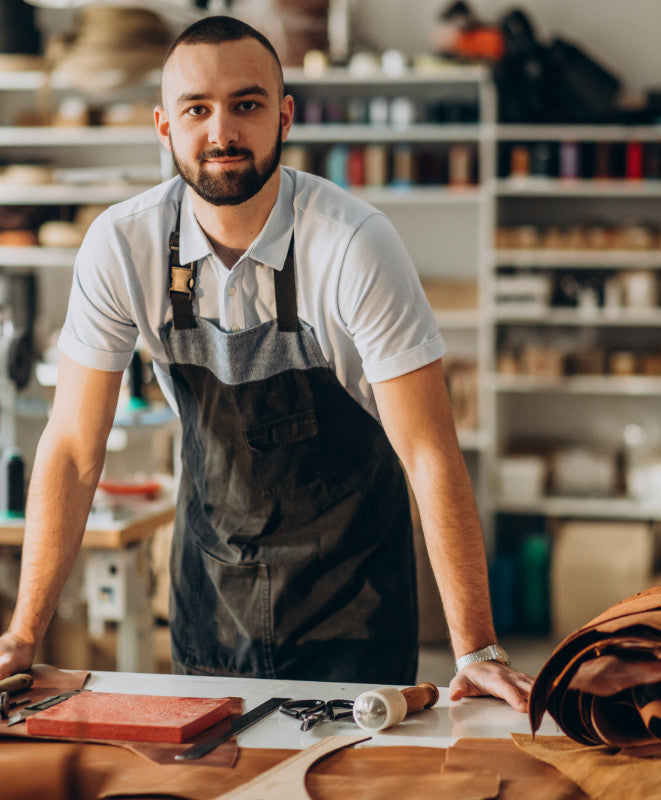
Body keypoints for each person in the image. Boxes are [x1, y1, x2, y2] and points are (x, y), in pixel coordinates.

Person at [0, 16, 532, 711]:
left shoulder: (353, 245)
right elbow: (72, 449)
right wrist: (22, 633)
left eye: (246, 105)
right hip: (212, 600)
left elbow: (429, 451)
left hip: (356, 603)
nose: (222, 132)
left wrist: (478, 648)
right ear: (164, 126)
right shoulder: (121, 246)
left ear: (284, 115)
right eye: (197, 109)